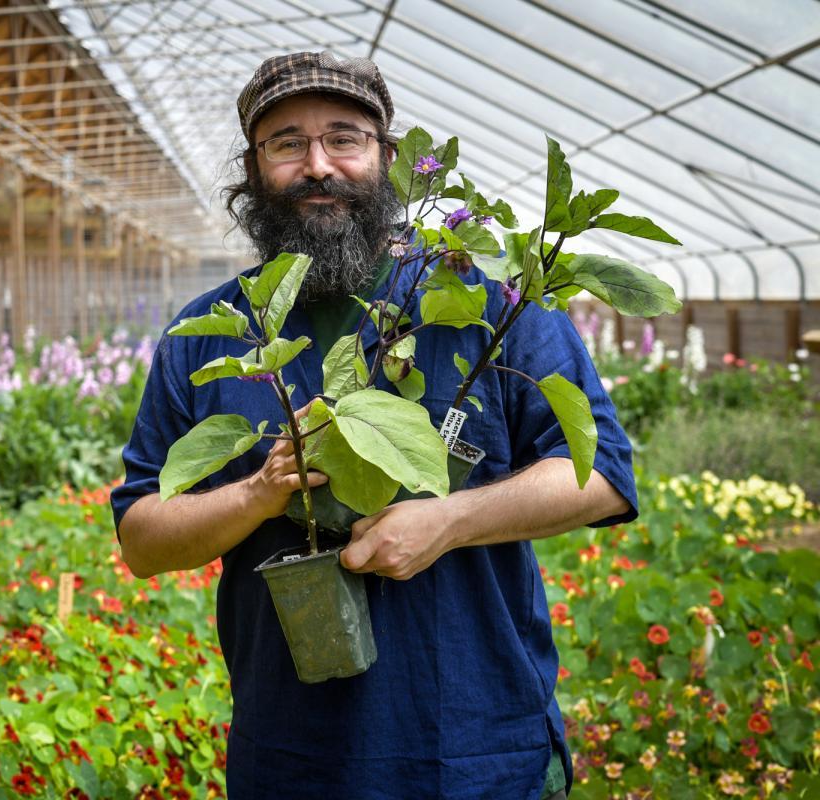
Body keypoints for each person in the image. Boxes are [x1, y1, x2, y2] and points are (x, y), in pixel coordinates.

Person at [110, 51, 638, 799]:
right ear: (255, 168)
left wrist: (449, 521)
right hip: (293, 763)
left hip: (478, 755)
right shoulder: (212, 332)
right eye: (286, 142)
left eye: (345, 138)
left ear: (389, 161)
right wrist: (259, 492)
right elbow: (142, 538)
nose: (317, 164)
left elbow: (603, 478)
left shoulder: (487, 306)